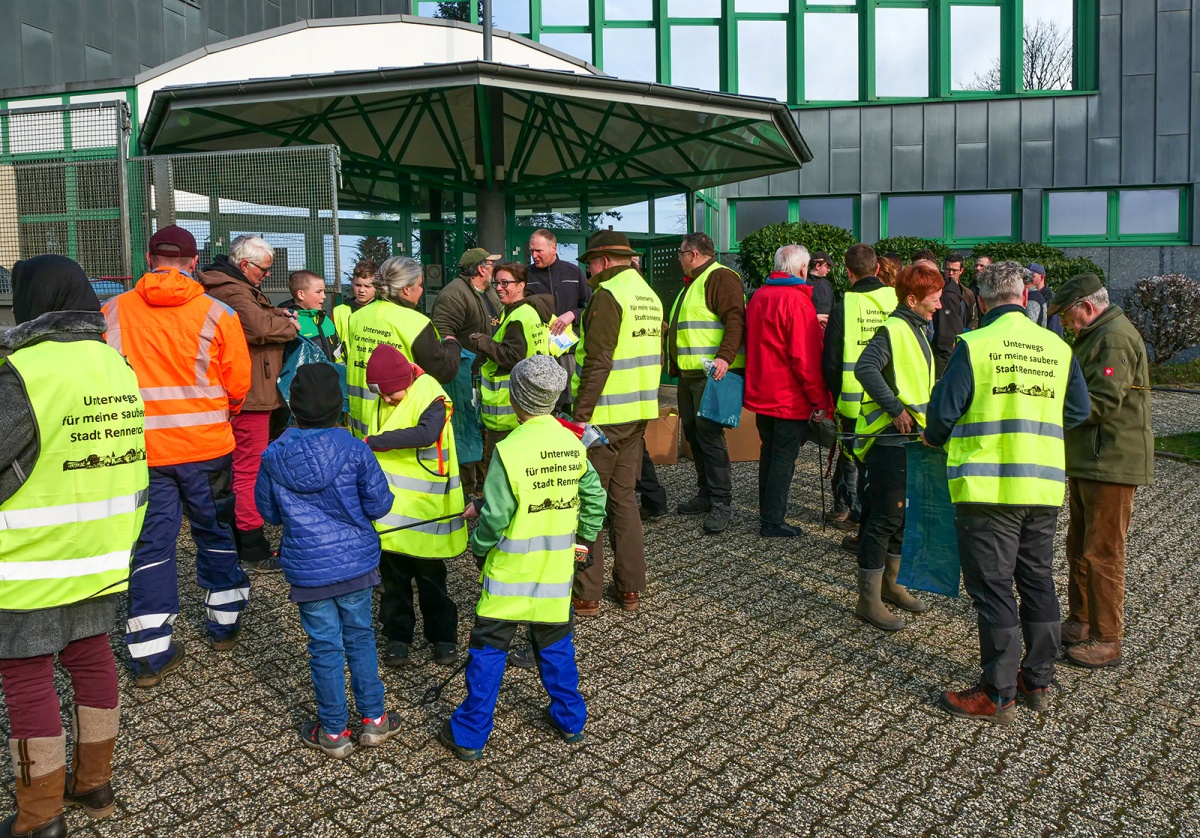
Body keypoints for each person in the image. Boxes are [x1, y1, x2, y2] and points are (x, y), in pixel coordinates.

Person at [0, 255, 148, 837]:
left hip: (29, 557)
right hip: (103, 549)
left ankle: (38, 816)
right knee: (91, 656)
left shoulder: (24, 371)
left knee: (27, 674)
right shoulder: (115, 363)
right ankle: (94, 782)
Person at [924, 260, 1091, 724]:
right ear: (1023, 297)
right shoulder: (1056, 347)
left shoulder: (974, 345)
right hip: (1041, 485)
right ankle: (1037, 680)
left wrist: (934, 438)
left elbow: (942, 415)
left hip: (988, 487)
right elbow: (1078, 410)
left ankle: (996, 693)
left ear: (980, 300)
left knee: (994, 589)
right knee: (1036, 580)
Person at [103, 224, 254, 686]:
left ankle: (150, 652)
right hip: (207, 449)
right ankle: (224, 623)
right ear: (194, 263)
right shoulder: (218, 313)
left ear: (149, 259)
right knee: (213, 530)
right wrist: (216, 415)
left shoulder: (111, 311)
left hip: (142, 452)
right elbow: (238, 385)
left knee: (152, 543)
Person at [440, 355, 607, 760]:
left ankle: (471, 733)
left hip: (508, 577)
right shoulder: (573, 441)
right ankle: (570, 719)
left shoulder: (510, 449)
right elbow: (595, 498)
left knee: (488, 652)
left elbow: (496, 517)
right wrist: (582, 542)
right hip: (554, 574)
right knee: (556, 648)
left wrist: (478, 545)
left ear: (517, 399)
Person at [255, 364, 401, 759]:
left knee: (324, 647)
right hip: (356, 565)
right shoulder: (356, 448)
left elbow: (267, 512)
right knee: (360, 637)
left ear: (294, 410)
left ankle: (334, 731)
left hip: (309, 569)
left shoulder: (273, 455)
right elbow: (379, 504)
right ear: (340, 409)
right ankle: (373, 719)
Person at [1050, 274, 1153, 669]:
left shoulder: (1112, 338)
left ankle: (1107, 638)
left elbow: (1101, 403)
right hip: (1092, 459)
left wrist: (1047, 410)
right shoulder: (1097, 335)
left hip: (1110, 461)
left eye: (1069, 317)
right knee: (1079, 546)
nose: (1067, 325)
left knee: (1102, 553)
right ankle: (1081, 620)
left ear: (1087, 308)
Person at [571, 230, 663, 615]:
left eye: (590, 263)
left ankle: (587, 594)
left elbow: (599, 361)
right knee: (623, 500)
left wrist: (579, 419)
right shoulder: (649, 295)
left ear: (605, 261)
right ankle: (629, 589)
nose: (588, 271)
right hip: (639, 412)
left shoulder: (608, 296)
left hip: (604, 419)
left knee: (588, 503)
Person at [851, 263, 942, 630]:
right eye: (934, 299)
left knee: (903, 516)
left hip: (910, 438)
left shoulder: (918, 327)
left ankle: (891, 585)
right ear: (912, 299)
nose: (938, 304)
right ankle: (867, 600)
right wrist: (895, 409)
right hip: (889, 441)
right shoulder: (895, 329)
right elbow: (865, 368)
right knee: (885, 517)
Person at [199, 235, 299, 569]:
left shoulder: (232, 284)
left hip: (251, 390)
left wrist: (277, 312)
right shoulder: (231, 289)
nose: (267, 275)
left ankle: (239, 533)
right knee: (248, 468)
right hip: (250, 394)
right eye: (264, 270)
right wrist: (289, 324)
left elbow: (257, 313)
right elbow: (256, 325)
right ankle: (251, 544)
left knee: (241, 465)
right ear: (244, 265)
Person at [363, 344, 466, 667]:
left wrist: (372, 443)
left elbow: (426, 433)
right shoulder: (387, 393)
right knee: (393, 584)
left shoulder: (432, 396)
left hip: (425, 510)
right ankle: (398, 637)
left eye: (392, 395)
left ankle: (443, 637)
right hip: (392, 512)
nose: (387, 401)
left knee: (432, 582)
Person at [745, 245, 831, 537]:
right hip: (788, 396)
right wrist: (819, 400)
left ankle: (767, 512)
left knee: (768, 453)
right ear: (803, 269)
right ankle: (772, 520)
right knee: (783, 458)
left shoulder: (758, 296)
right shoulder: (797, 301)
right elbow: (804, 358)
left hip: (762, 391)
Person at [667, 232, 745, 534]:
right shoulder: (694, 283)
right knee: (696, 436)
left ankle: (722, 502)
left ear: (693, 254)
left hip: (710, 374)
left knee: (710, 437)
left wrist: (724, 357)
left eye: (680, 254)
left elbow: (735, 319)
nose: (679, 259)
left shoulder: (720, 277)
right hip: (690, 375)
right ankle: (706, 494)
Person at [344, 256, 461, 438]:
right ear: (407, 290)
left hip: (362, 423)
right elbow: (444, 371)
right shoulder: (416, 323)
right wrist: (453, 343)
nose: (422, 290)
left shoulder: (357, 317)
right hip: (399, 425)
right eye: (420, 285)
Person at [822, 244, 894, 537]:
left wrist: (837, 395)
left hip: (853, 403)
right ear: (877, 269)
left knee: (853, 462)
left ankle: (854, 514)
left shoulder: (844, 307)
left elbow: (830, 362)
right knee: (886, 465)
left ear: (848, 272)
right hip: (893, 403)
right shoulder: (899, 300)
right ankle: (883, 520)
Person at [431, 247, 503, 497]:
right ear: (482, 268)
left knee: (482, 426)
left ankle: (483, 487)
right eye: (491, 265)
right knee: (463, 428)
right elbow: (442, 332)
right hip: (463, 374)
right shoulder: (453, 294)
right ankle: (463, 490)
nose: (494, 269)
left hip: (484, 372)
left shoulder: (489, 291)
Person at [467, 261, 554, 467]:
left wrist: (483, 342)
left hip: (508, 410)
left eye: (505, 283)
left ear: (521, 285)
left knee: (501, 469)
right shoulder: (532, 311)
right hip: (530, 404)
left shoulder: (519, 315)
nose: (498, 288)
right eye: (496, 283)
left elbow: (510, 357)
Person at [932, 253, 975, 377]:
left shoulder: (967, 293)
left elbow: (973, 317)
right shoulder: (941, 292)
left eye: (954, 270)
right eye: (947, 269)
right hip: (946, 350)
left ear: (961, 271)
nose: (950, 273)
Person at [285, 270, 342, 362]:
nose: (324, 296)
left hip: (331, 375)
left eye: (324, 291)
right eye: (318, 292)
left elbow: (338, 354)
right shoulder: (290, 322)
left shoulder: (325, 320)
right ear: (301, 294)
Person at [333, 259, 378, 340]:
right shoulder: (338, 312)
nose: (361, 290)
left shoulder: (382, 311)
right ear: (352, 282)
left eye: (367, 286)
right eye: (358, 285)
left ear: (377, 287)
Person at [806, 250, 835, 322]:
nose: (829, 270)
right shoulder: (805, 283)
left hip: (827, 327)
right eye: (827, 266)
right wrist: (814, 318)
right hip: (810, 326)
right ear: (818, 266)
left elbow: (833, 305)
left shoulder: (827, 284)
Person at [1023, 264, 1049, 329]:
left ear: (1042, 277)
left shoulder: (1032, 299)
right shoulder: (1036, 295)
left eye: (1032, 276)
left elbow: (1029, 327)